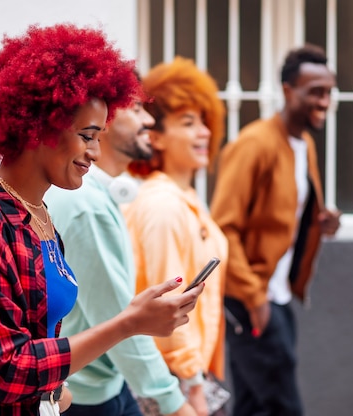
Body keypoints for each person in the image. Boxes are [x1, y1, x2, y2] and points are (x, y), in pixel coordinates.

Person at [0, 24, 204, 416]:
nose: (95, 151)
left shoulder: (39, 219)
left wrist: (52, 394)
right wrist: (129, 323)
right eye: (88, 135)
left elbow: (37, 339)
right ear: (42, 126)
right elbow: (7, 371)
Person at [44, 81, 196, 416]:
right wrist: (176, 406)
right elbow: (120, 320)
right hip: (85, 399)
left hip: (98, 388)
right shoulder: (87, 205)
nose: (150, 121)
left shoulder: (98, 196)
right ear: (105, 120)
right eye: (139, 108)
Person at [209, 44, 342, 416]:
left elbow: (286, 213)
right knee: (284, 405)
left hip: (278, 296)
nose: (325, 101)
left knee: (254, 405)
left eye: (329, 91)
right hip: (251, 297)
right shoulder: (254, 144)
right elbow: (223, 226)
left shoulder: (304, 145)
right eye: (315, 92)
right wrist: (254, 298)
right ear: (288, 91)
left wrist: (322, 222)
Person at [123, 56, 229, 416]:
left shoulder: (185, 198)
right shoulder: (162, 205)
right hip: (174, 380)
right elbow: (169, 295)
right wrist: (194, 386)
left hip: (189, 372)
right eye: (188, 122)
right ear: (156, 137)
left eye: (204, 120)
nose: (204, 132)